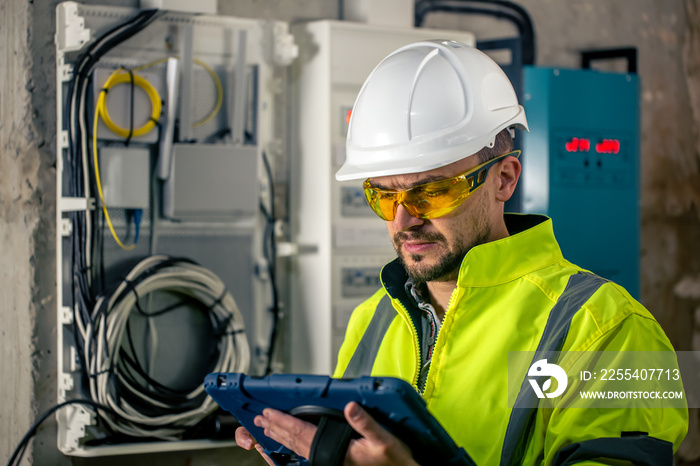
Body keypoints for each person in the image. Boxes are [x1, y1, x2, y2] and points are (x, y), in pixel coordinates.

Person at [236, 40, 688, 465]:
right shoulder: (373, 319)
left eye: (430, 193)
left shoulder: (612, 329)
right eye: (383, 196)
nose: (402, 221)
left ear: (504, 179)